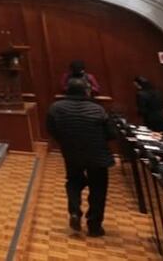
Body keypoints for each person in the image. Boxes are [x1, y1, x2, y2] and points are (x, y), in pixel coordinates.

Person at [47, 78, 116, 237]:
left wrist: (65, 141)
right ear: (86, 91)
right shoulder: (97, 109)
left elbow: (51, 129)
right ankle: (94, 225)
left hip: (71, 152)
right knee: (98, 189)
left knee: (73, 181)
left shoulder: (56, 108)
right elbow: (111, 133)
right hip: (96, 153)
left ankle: (74, 211)